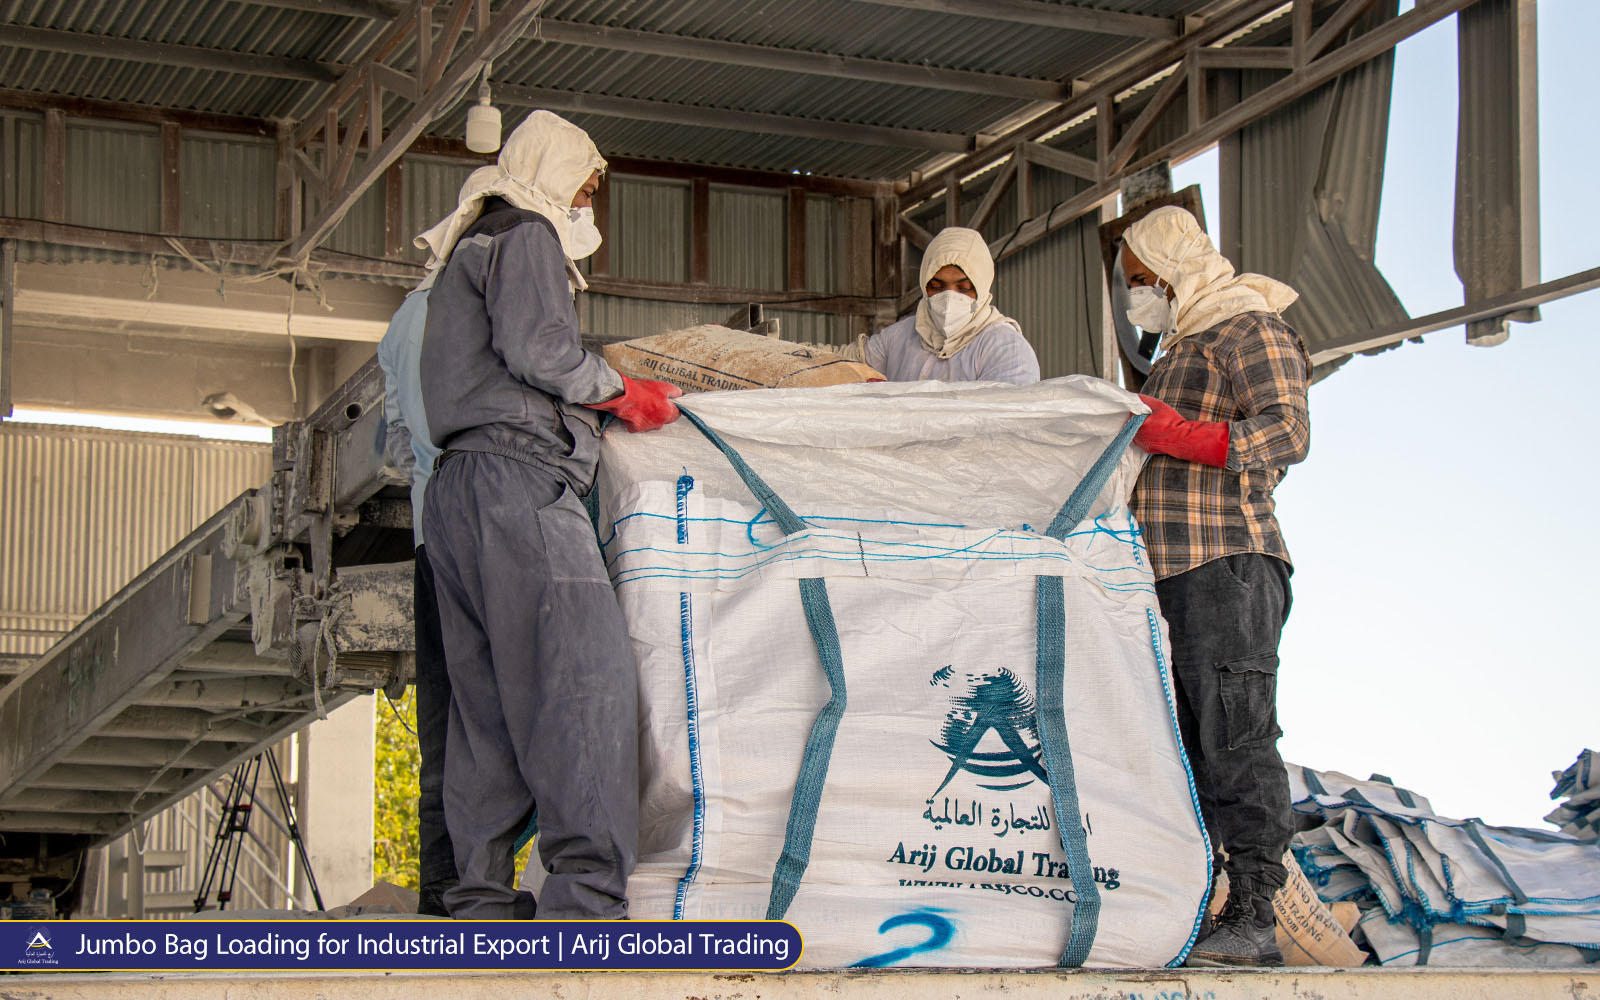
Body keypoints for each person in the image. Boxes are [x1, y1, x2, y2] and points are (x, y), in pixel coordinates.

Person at [417, 111, 681, 920]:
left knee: (487, 709)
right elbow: (539, 351)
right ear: (551, 172)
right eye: (584, 188)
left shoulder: (471, 242)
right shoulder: (525, 231)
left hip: (457, 492)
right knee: (579, 684)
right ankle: (587, 899)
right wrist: (618, 392)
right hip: (520, 486)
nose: (584, 206)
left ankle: (479, 899)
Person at [1120, 205, 1310, 967]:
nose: (1137, 295)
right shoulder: (1176, 348)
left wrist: (1180, 435)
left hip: (1226, 560)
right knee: (1191, 751)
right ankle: (1214, 905)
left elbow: (1286, 431)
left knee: (1236, 735)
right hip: (1167, 574)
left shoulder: (1249, 326)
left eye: (1143, 281)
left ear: (1174, 270)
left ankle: (1258, 912)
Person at [375, 166, 507, 917]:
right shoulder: (475, 304)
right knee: (492, 714)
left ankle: (446, 890)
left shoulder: (404, 318)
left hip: (433, 537)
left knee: (446, 720)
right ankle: (478, 891)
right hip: (484, 534)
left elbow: (396, 445)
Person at [850, 226, 1039, 385]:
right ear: (924, 287)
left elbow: (1005, 422)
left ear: (982, 288)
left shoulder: (1004, 348)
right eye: (936, 287)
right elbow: (847, 364)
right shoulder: (900, 337)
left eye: (964, 288)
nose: (949, 299)